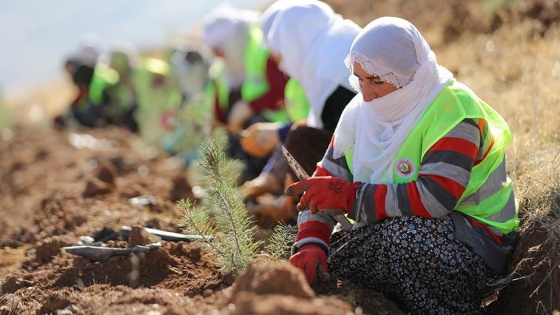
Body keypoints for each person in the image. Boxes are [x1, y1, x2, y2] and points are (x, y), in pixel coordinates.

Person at [285, 17, 519, 315]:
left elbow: (436, 197)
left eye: (377, 80)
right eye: (360, 79)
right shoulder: (359, 113)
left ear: (408, 74)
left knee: (406, 238)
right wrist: (311, 242)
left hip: (476, 244)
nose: (366, 93)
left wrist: (351, 198)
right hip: (399, 233)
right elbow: (322, 186)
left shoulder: (452, 111)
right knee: (319, 264)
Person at [239, 0, 360, 220]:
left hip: (376, 173)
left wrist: (282, 135)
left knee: (302, 138)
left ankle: (316, 219)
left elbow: (336, 137)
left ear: (294, 42)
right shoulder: (336, 46)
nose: (281, 64)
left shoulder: (328, 71)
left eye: (281, 54)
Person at [201, 4, 290, 183]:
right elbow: (217, 113)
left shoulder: (262, 49)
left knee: (254, 124)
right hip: (240, 143)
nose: (217, 54)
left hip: (278, 132)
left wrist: (250, 106)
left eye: (220, 47)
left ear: (232, 40)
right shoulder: (221, 71)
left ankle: (259, 179)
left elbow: (282, 91)